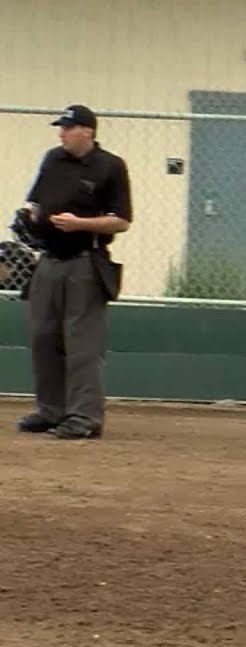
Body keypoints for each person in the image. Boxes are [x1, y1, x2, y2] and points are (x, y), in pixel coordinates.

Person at [19, 104, 131, 440]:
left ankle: (84, 415)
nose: (61, 133)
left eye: (68, 128)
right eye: (61, 128)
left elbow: (121, 220)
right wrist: (30, 218)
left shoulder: (109, 166)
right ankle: (50, 410)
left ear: (88, 131)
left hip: (85, 260)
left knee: (82, 342)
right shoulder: (53, 159)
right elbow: (36, 201)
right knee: (43, 335)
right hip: (48, 260)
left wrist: (80, 224)